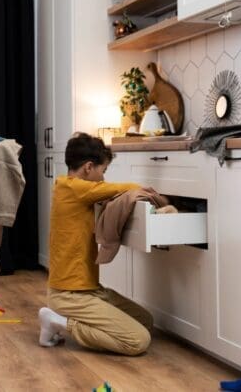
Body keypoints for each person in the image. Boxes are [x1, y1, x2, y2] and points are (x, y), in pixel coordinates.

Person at [38, 132, 156, 356]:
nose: (103, 178)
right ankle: (58, 322)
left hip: (89, 289)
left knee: (146, 321)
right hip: (69, 295)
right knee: (137, 341)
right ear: (88, 167)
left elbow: (107, 193)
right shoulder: (74, 188)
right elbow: (128, 187)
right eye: (103, 171)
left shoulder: (70, 187)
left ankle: (67, 320)